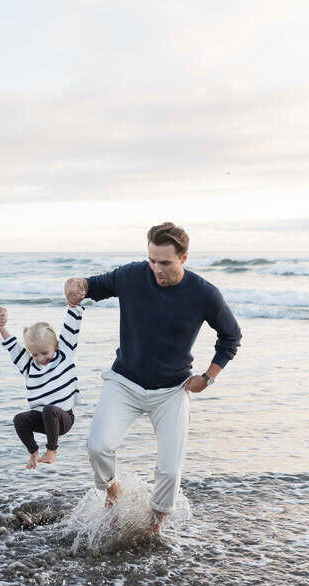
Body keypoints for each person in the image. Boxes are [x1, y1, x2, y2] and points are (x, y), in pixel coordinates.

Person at [65, 223, 242, 532]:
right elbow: (92, 286)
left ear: (183, 258)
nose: (157, 269)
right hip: (124, 382)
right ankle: (112, 490)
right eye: (152, 260)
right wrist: (75, 283)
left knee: (170, 471)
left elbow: (231, 336)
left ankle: (154, 526)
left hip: (171, 390)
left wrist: (208, 377)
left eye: (165, 262)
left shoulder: (204, 294)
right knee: (98, 446)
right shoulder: (132, 275)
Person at [0, 292, 85, 469]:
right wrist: (1, 327)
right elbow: (13, 347)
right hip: (42, 418)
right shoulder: (29, 366)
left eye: (45, 353)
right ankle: (33, 452)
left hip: (62, 418)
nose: (40, 358)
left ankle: (52, 450)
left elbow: (71, 329)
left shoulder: (64, 354)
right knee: (19, 419)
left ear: (56, 346)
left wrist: (74, 305)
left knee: (49, 410)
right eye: (34, 354)